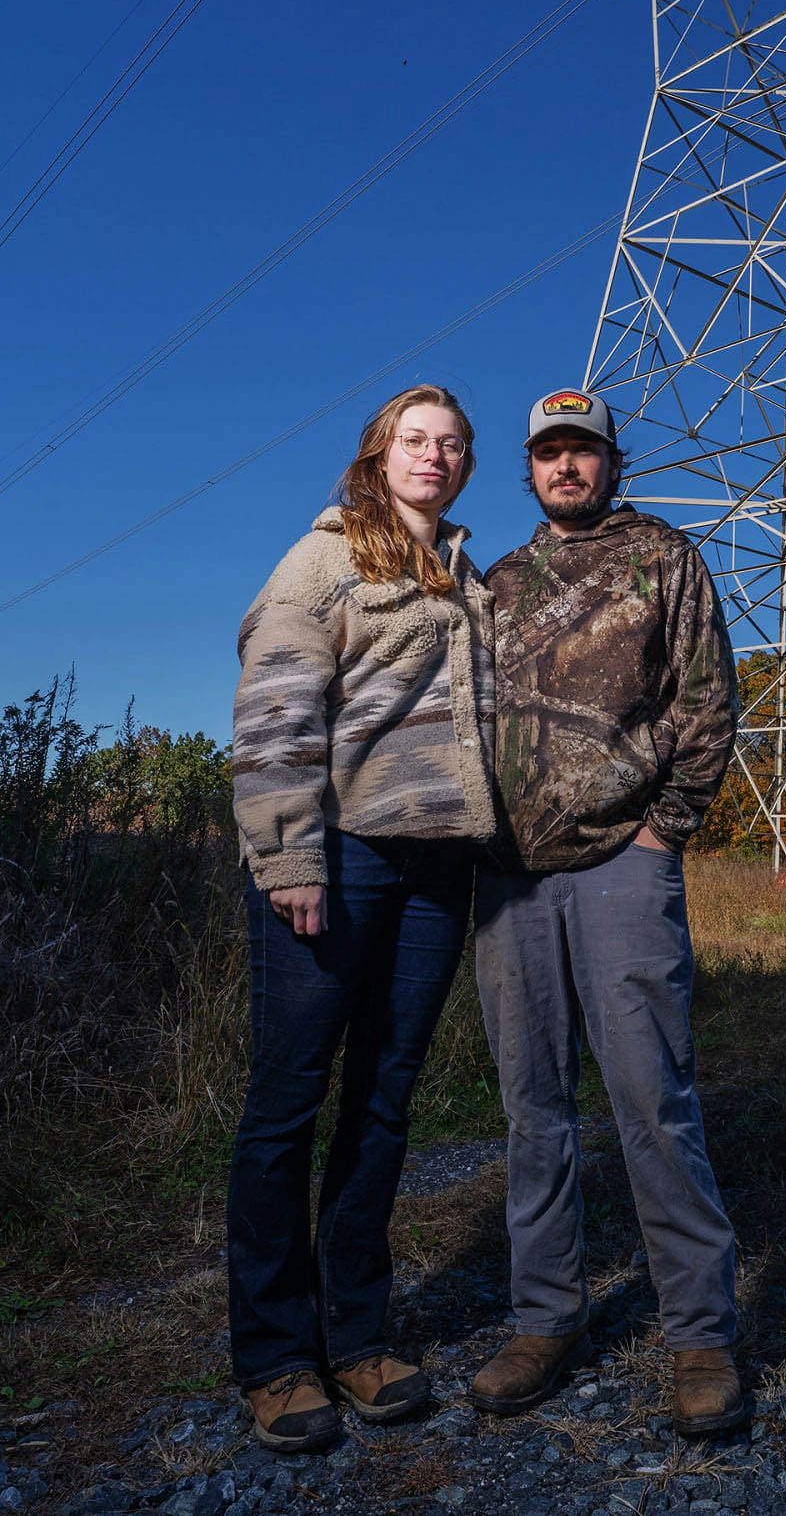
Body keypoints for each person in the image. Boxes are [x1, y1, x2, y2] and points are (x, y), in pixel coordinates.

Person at [227, 384, 497, 1453]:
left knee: (384, 1105)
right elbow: (276, 706)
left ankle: (361, 1338)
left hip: (437, 871)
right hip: (337, 859)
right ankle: (276, 1357)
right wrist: (289, 852)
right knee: (288, 1106)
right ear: (379, 456)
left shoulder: (465, 576)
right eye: (415, 440)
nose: (434, 456)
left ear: (466, 465)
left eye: (452, 444)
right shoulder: (323, 561)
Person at [471, 389, 744, 1438]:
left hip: (625, 862)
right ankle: (545, 1319)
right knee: (532, 1106)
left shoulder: (664, 559)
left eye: (583, 452)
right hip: (510, 879)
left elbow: (708, 699)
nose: (567, 468)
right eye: (550, 454)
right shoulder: (499, 583)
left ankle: (700, 1335)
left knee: (651, 1098)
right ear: (530, 470)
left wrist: (665, 828)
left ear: (612, 463)